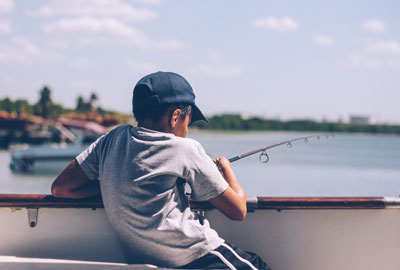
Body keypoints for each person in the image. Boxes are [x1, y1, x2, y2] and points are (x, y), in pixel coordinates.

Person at [51, 71, 271, 270]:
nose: (187, 128)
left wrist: (113, 187)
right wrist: (226, 169)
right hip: (199, 256)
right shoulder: (186, 148)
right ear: (176, 116)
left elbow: (61, 188)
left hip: (148, 262)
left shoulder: (112, 139)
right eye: (189, 120)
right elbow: (238, 210)